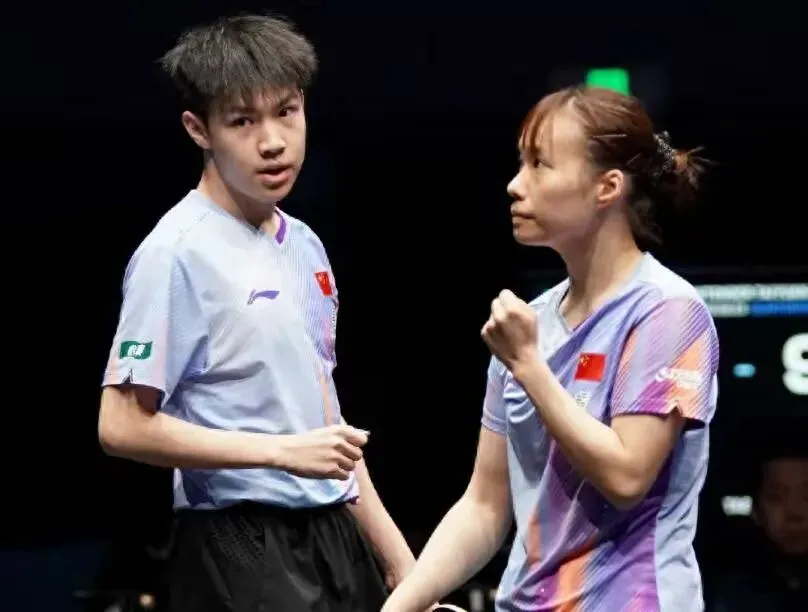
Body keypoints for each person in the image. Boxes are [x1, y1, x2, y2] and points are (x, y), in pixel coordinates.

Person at [97, 14, 415, 612]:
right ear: (199, 129)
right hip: (237, 542)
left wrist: (403, 565)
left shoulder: (307, 246)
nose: (273, 141)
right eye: (242, 121)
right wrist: (279, 451)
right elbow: (120, 426)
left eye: (286, 112)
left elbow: (325, 425)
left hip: (334, 534)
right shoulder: (175, 253)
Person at [382, 86, 720, 611]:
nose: (516, 185)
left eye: (540, 165)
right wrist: (398, 606)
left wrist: (528, 365)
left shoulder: (668, 312)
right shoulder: (531, 321)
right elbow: (485, 506)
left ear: (607, 187)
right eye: (521, 164)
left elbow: (627, 476)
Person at [709, 433, 808, 611]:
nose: (794, 513)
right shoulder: (732, 594)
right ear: (756, 510)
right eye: (777, 497)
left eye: (807, 496)